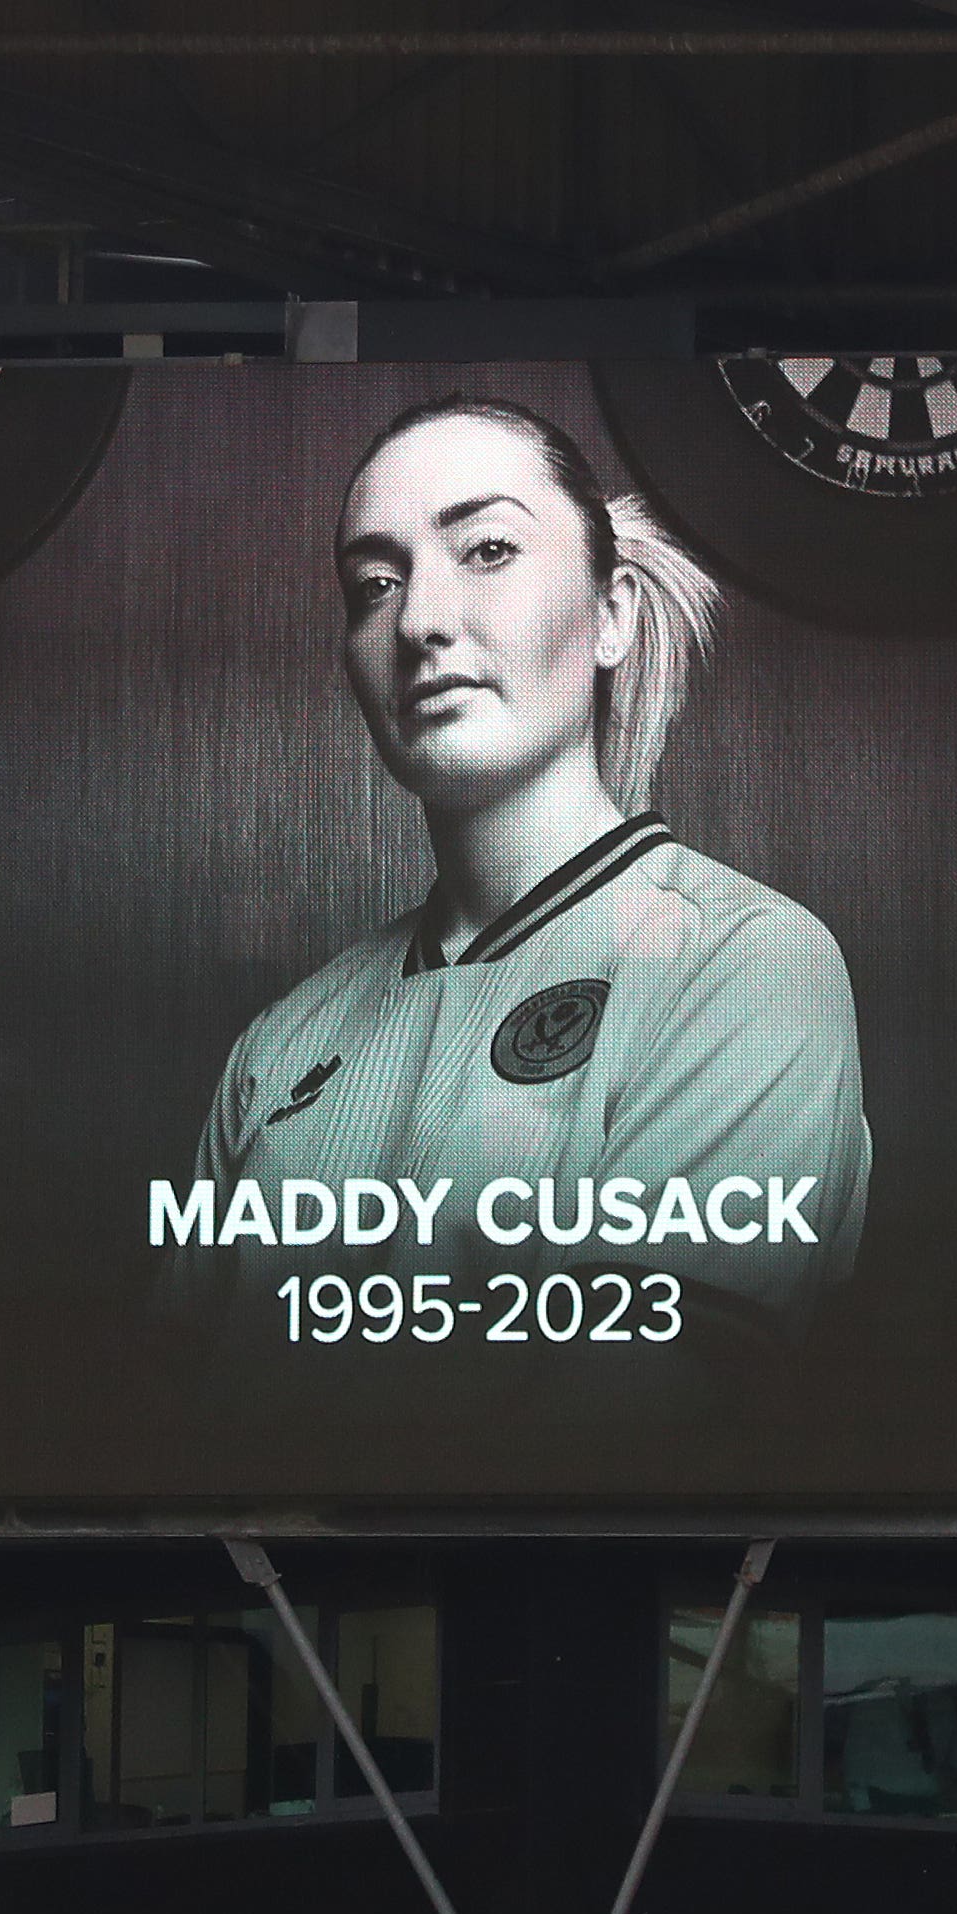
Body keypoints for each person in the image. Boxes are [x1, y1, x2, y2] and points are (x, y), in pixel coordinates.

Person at [174, 395, 870, 1335]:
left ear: (611, 613)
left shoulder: (750, 964)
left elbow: (628, 1431)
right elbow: (171, 1420)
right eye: (374, 583)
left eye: (488, 550)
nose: (419, 619)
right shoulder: (278, 1047)